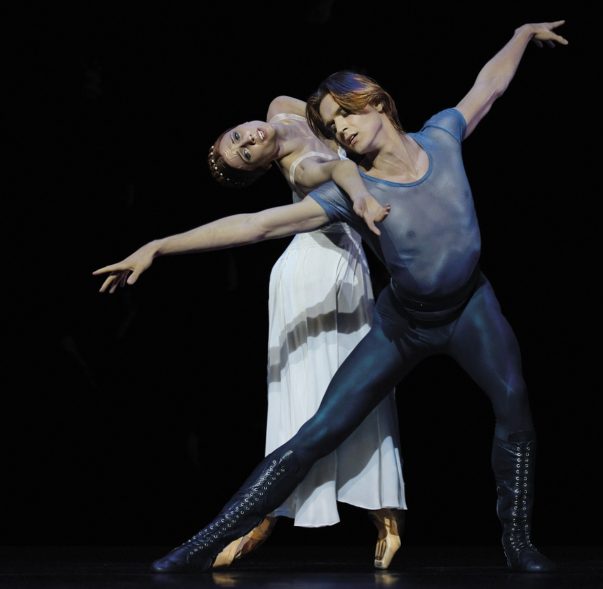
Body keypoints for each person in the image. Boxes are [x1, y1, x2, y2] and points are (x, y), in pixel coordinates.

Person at [93, 20, 568, 573]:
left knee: (513, 399)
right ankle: (201, 544)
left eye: (345, 114)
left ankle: (518, 542)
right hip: (403, 325)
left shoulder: (442, 136)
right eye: (332, 122)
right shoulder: (346, 195)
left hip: (470, 308)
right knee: (319, 430)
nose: (340, 128)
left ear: (377, 103)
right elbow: (256, 225)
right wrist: (159, 245)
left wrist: (521, 34)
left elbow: (490, 86)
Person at [208, 96, 406, 570]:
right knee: (302, 400)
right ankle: (263, 514)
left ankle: (386, 512)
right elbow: (342, 170)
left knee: (366, 388)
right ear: (262, 166)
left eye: (239, 137)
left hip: (349, 268)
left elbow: (344, 120)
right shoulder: (303, 168)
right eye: (247, 153)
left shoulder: (281, 106)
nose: (249, 140)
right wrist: (363, 192)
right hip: (310, 274)